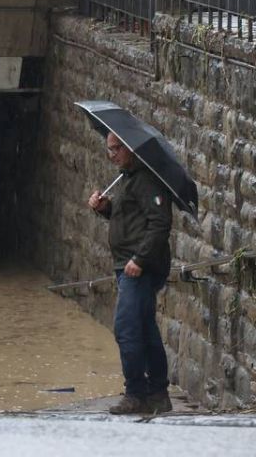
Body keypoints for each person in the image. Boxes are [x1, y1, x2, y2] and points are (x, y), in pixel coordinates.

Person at [87, 132, 174, 415]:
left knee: (126, 329)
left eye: (116, 149)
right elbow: (128, 218)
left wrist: (140, 259)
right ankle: (159, 393)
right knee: (145, 328)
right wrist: (105, 208)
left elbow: (160, 223)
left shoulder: (147, 179)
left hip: (138, 268)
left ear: (131, 149)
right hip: (127, 264)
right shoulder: (127, 178)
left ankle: (135, 393)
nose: (111, 154)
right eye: (109, 149)